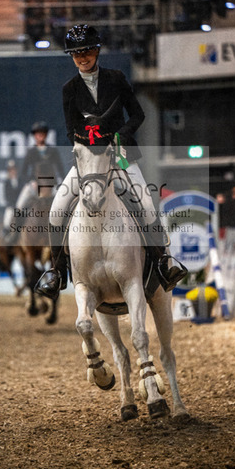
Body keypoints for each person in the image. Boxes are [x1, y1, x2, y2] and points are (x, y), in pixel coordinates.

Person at [35, 23, 187, 299]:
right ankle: (56, 272)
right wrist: (86, 144)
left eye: (86, 51)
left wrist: (120, 136)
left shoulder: (116, 78)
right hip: (88, 162)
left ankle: (164, 262)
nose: (82, 57)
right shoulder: (69, 89)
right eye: (76, 53)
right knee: (57, 209)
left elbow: (138, 114)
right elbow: (70, 130)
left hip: (121, 157)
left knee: (146, 203)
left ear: (97, 51)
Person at [3, 121, 64, 243]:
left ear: (46, 135)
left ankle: (64, 235)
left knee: (63, 206)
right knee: (19, 206)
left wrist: (60, 182)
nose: (40, 135)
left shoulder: (53, 151)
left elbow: (60, 169)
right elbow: (24, 172)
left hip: (51, 185)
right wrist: (31, 181)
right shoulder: (31, 152)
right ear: (34, 136)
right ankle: (14, 235)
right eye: (37, 133)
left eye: (42, 133)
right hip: (34, 185)